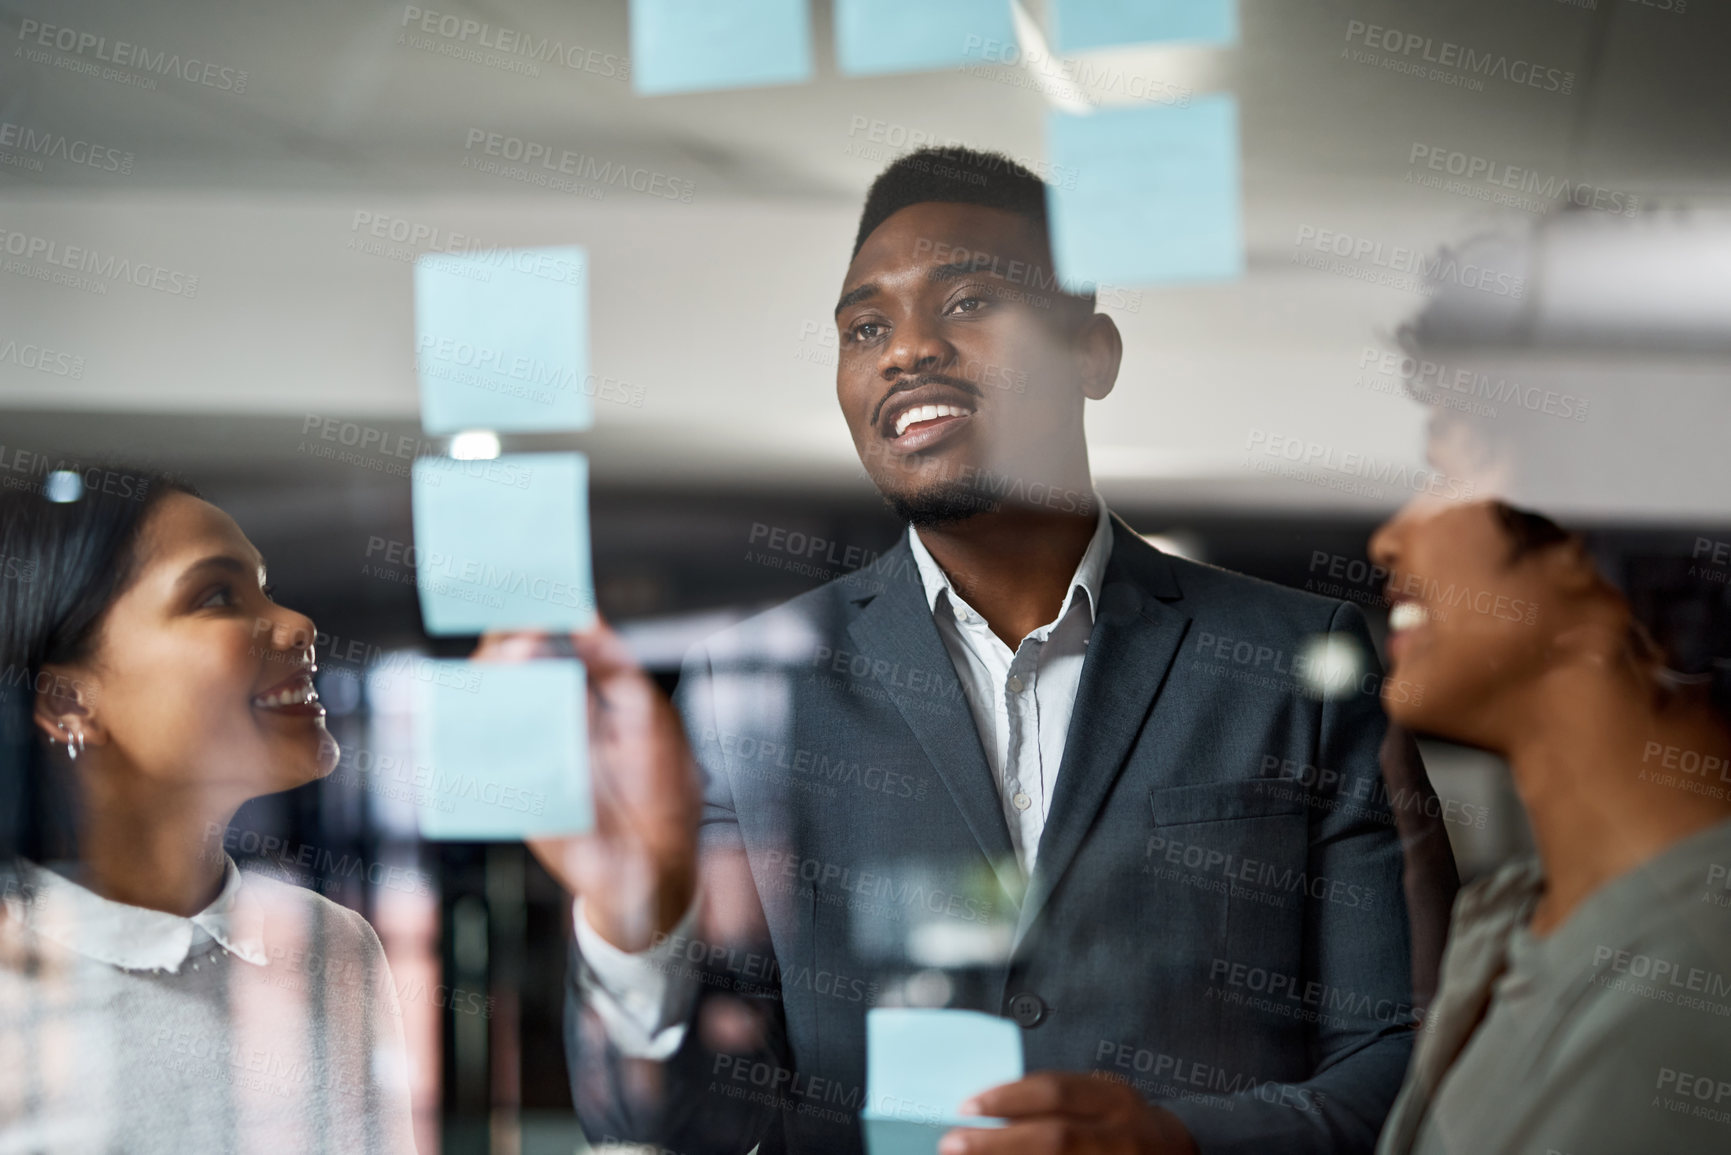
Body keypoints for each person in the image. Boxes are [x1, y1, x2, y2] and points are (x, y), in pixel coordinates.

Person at [530, 146, 1457, 1155]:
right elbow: (662, 1121)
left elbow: (1411, 1063)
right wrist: (632, 926)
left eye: (968, 301)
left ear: (1092, 354)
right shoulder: (758, 686)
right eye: (866, 327)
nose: (906, 351)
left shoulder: (1299, 660)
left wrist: (1170, 1144)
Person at [0, 469, 416, 1155]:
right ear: (68, 704)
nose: (299, 624)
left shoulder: (328, 941)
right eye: (216, 595)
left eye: (265, 589)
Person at [1368, 497, 1731, 1154]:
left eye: (1450, 475)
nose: (1387, 540)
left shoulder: (1699, 978)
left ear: (1575, 542)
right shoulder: (1506, 924)